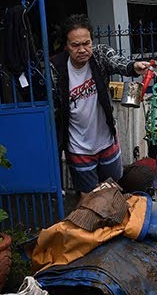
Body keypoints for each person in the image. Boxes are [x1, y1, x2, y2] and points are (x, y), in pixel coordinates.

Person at [51, 14, 150, 194]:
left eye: (86, 43)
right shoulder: (56, 69)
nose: (82, 49)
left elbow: (118, 62)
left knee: (114, 191)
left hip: (107, 142)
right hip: (77, 147)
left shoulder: (99, 55)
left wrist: (134, 66)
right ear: (66, 46)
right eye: (76, 45)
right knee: (89, 199)